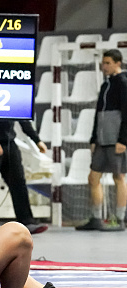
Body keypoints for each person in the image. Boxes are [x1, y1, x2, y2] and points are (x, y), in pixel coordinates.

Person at [76, 49, 127, 231]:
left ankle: (120, 219)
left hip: (116, 140)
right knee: (93, 177)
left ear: (117, 63)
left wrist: (123, 140)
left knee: (118, 177)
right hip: (101, 140)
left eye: (107, 63)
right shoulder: (106, 84)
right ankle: (96, 217)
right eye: (103, 63)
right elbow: (99, 114)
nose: (104, 67)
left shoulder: (123, 83)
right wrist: (94, 138)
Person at [0, 119, 49, 234]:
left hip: (9, 142)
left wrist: (36, 140)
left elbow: (23, 118)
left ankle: (26, 221)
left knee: (18, 182)